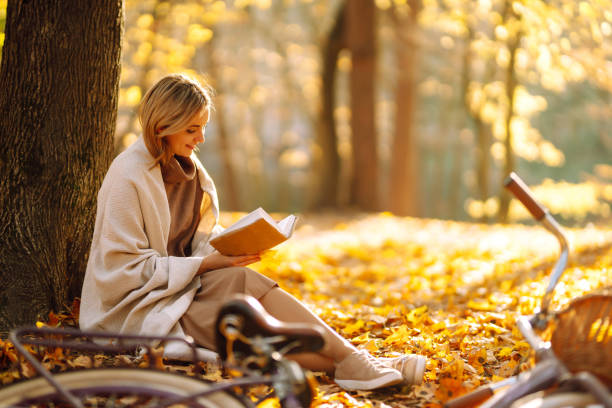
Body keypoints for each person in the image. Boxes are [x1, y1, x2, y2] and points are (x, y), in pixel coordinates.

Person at [80, 73, 427, 391]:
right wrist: (207, 265)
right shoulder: (127, 176)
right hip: (140, 307)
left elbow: (194, 238)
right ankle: (356, 363)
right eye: (191, 130)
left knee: (244, 281)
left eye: (203, 127)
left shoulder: (190, 170)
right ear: (162, 126)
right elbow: (122, 272)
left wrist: (230, 246)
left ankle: (357, 362)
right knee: (247, 334)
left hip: (180, 289)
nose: (200, 138)